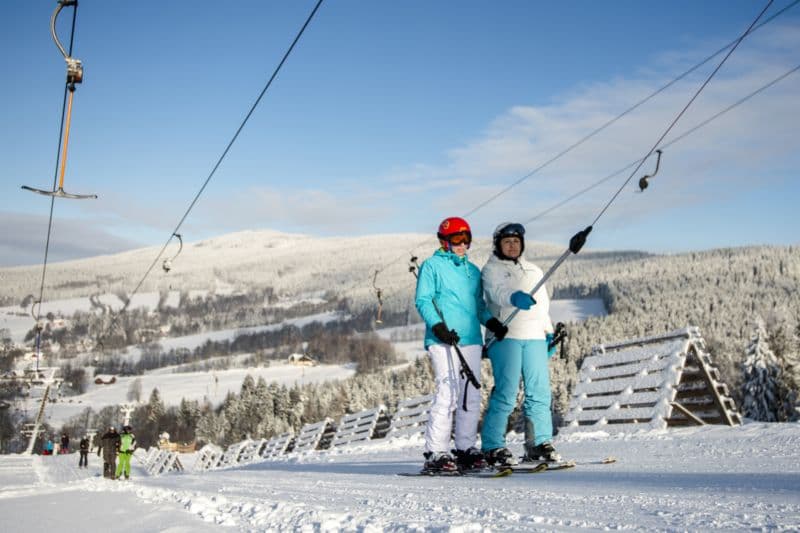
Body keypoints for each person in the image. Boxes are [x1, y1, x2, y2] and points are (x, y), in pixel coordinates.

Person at [415, 216, 508, 473]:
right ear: (444, 241)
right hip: (443, 338)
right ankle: (436, 451)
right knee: (449, 392)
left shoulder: (473, 271)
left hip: (471, 339)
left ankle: (465, 448)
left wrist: (492, 323)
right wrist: (438, 327)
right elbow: (423, 300)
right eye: (457, 239)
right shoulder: (431, 266)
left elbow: (479, 307)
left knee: (471, 394)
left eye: (466, 239)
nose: (462, 244)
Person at [480, 222, 560, 466]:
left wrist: (548, 332)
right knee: (507, 391)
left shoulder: (534, 271)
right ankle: (493, 445)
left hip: (534, 336)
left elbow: (543, 306)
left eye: (516, 242)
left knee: (539, 391)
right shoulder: (491, 269)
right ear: (498, 245)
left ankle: (538, 442)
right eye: (507, 242)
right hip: (506, 336)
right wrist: (514, 297)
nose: (512, 246)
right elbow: (497, 292)